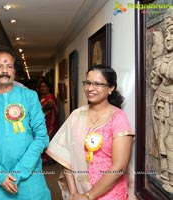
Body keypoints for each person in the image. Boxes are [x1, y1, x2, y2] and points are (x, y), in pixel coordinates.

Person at [0, 47, 51, 199]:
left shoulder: (30, 96)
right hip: (0, 181)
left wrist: (17, 173)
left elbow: (41, 138)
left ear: (14, 72)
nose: (5, 70)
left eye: (9, 66)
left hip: (31, 178)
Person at [46, 65, 134, 200]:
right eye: (87, 83)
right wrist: (74, 192)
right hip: (80, 190)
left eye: (97, 84)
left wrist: (89, 196)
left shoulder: (118, 118)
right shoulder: (77, 115)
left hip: (110, 192)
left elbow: (119, 166)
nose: (90, 88)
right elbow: (66, 156)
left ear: (111, 88)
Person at [150, 14, 173, 193]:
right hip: (161, 102)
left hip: (170, 105)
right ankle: (165, 174)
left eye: (172, 33)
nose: (168, 38)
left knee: (169, 140)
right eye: (166, 34)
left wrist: (163, 69)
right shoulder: (165, 59)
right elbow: (155, 82)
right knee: (162, 140)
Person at [39, 79, 59, 164]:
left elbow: (55, 111)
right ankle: (45, 157)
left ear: (49, 88)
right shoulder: (42, 97)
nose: (42, 88)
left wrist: (51, 124)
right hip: (42, 121)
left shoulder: (51, 98)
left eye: (44, 86)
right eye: (41, 87)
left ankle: (48, 158)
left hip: (50, 121)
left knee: (48, 139)